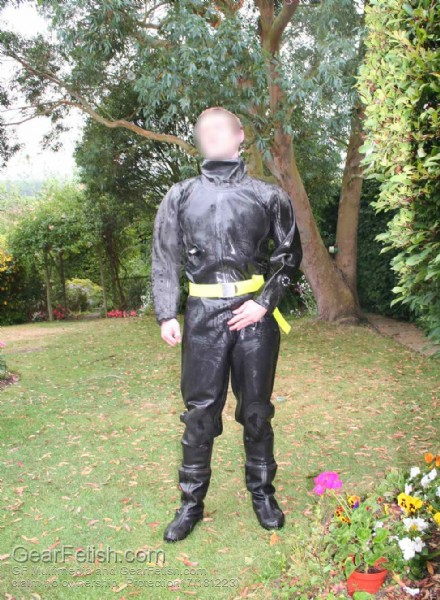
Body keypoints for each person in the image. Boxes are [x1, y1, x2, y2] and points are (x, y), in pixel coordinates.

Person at [152, 106, 303, 542]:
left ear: (240, 136)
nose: (212, 134)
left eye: (221, 127)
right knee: (199, 413)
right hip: (202, 317)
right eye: (204, 129)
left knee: (256, 410)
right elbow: (165, 256)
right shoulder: (180, 196)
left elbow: (288, 255)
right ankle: (190, 504)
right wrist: (167, 312)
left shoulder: (268, 195)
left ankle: (263, 495)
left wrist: (263, 304)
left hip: (254, 315)